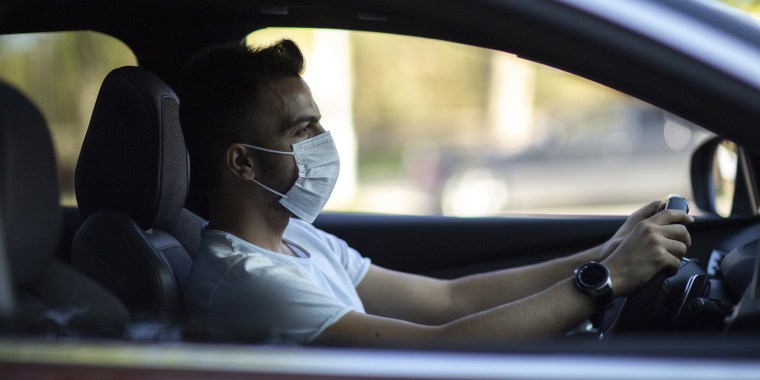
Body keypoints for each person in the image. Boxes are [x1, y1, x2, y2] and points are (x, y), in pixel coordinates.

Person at [179, 39, 692, 346]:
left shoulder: (300, 241)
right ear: (242, 161)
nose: (323, 143)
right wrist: (605, 280)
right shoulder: (245, 282)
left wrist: (607, 252)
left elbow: (450, 299)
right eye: (301, 130)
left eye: (320, 125)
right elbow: (440, 345)